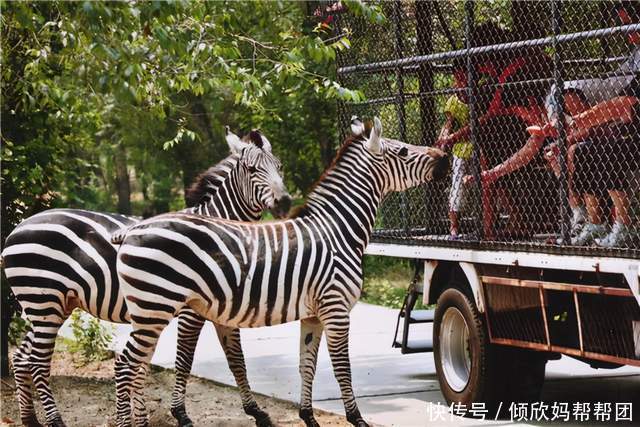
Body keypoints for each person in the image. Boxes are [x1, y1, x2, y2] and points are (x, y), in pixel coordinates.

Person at [484, 1, 640, 247]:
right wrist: (493, 173)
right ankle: (589, 221)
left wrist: (565, 132)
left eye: (522, 113)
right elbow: (530, 149)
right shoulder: (545, 113)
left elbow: (619, 107)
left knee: (580, 149)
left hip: (620, 128)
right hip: (604, 124)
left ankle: (623, 225)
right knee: (570, 152)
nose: (627, 32)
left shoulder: (559, 97)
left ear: (530, 105)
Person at [437, 61, 471, 238]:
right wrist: (442, 142)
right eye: (458, 75)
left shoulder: (477, 92)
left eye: (463, 74)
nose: (461, 78)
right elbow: (448, 125)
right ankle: (453, 227)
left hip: (478, 145)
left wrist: (451, 136)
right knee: (456, 185)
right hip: (460, 147)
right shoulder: (453, 100)